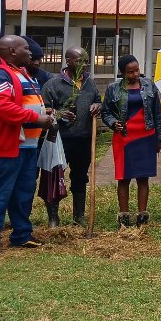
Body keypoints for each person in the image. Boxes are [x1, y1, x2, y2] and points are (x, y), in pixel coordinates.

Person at [0, 35, 55, 249]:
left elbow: (23, 102)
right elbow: (1, 106)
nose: (30, 53)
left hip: (26, 146)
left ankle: (21, 235)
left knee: (23, 193)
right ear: (12, 51)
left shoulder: (20, 73)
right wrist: (36, 118)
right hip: (4, 146)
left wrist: (43, 111)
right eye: (26, 49)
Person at [41, 46, 102, 227]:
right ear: (68, 61)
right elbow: (42, 110)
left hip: (83, 139)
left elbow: (97, 99)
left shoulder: (89, 82)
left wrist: (98, 106)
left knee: (80, 176)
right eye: (80, 61)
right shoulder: (53, 84)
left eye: (86, 60)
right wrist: (60, 114)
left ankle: (79, 216)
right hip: (59, 139)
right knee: (55, 176)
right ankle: (53, 217)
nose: (85, 64)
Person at [102, 55, 161, 228]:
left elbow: (157, 113)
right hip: (124, 137)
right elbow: (105, 111)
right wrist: (113, 123)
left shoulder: (149, 85)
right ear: (122, 73)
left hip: (146, 136)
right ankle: (124, 217)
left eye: (137, 70)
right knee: (124, 177)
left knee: (143, 177)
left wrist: (160, 137)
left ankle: (142, 217)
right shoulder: (113, 88)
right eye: (130, 72)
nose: (135, 74)